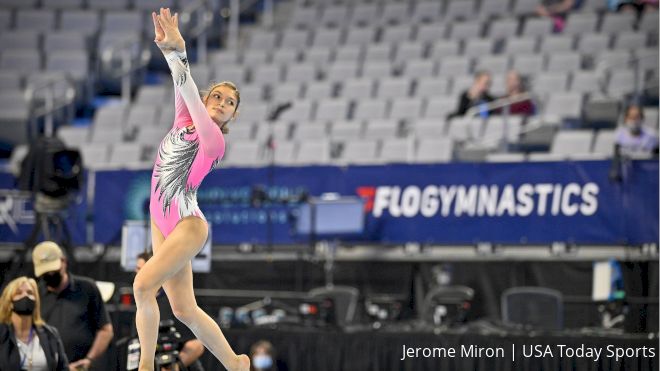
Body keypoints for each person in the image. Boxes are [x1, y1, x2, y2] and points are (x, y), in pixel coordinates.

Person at [133, 8, 249, 371]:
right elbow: (179, 84)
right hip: (159, 217)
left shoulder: (214, 140)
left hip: (187, 224)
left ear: (232, 117)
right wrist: (172, 53)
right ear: (208, 98)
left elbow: (188, 89)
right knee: (184, 309)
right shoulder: (184, 119)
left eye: (230, 103)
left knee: (141, 287)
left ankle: (145, 367)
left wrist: (178, 50)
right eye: (218, 96)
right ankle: (235, 363)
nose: (222, 103)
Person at [32, 241, 114, 371]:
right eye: (45, 273)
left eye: (53, 271)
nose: (50, 275)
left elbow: (105, 330)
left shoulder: (87, 288)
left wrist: (88, 360)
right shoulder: (36, 295)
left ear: (63, 262)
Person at [135, 252, 205, 371]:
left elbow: (197, 345)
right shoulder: (139, 299)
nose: (139, 274)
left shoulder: (173, 298)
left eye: (143, 269)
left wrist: (175, 366)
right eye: (137, 269)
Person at [0, 276, 69, 370]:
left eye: (30, 293)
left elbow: (63, 368)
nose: (25, 296)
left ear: (36, 300)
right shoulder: (2, 335)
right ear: (10, 301)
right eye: (19, 293)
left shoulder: (51, 334)